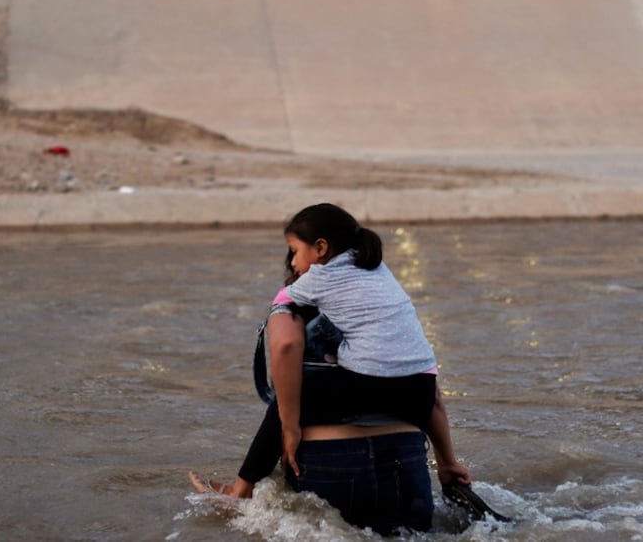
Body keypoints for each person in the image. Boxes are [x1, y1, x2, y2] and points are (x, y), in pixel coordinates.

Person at [190, 203, 471, 533]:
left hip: (360, 402)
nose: (294, 261)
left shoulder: (317, 280)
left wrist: (291, 425)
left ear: (320, 249)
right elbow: (434, 398)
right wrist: (448, 464)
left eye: (294, 251)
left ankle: (240, 490)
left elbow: (285, 343)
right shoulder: (379, 272)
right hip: (418, 395)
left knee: (287, 401)